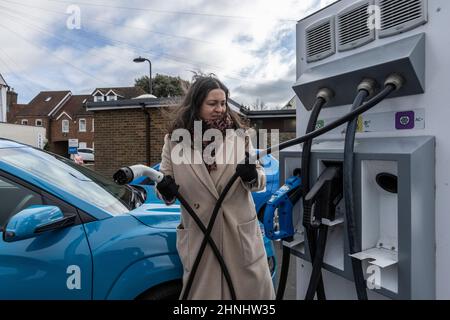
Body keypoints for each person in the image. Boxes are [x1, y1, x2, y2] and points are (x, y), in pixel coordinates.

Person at [156, 75, 275, 300]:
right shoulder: (174, 141)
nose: (220, 109)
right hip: (201, 235)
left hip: (237, 234)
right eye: (213, 103)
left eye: (223, 103)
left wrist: (251, 175)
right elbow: (164, 183)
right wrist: (166, 189)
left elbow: (259, 180)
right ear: (197, 104)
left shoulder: (241, 137)